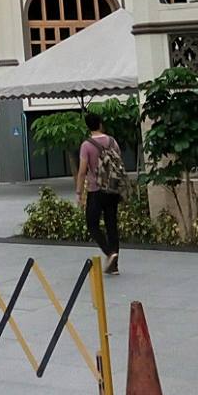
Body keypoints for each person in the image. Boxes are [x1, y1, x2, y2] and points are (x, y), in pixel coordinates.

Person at [76, 112, 122, 275]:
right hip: (112, 188)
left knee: (92, 224)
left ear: (88, 126)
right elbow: (118, 162)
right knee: (111, 224)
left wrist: (79, 192)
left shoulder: (86, 145)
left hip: (96, 190)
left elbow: (82, 171)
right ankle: (114, 266)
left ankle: (110, 252)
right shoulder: (112, 141)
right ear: (100, 124)